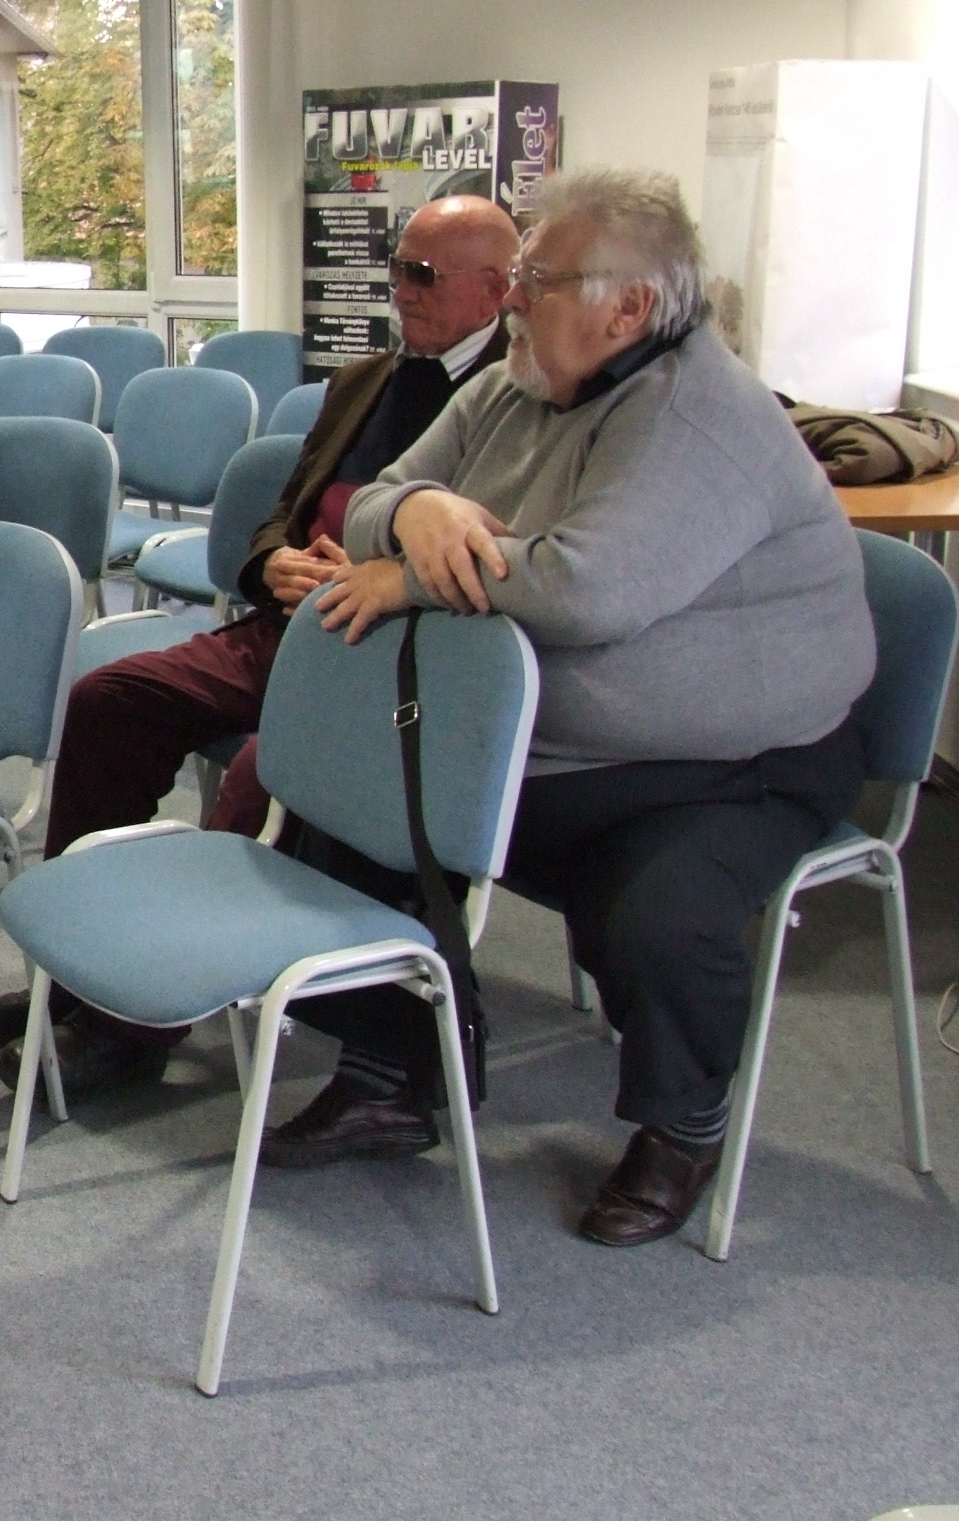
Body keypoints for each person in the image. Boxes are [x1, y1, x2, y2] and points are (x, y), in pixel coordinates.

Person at [281, 167, 871, 1247]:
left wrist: (408, 575)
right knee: (352, 810)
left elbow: (588, 589)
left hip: (727, 762)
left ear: (628, 307)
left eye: (539, 280)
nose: (511, 298)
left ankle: (683, 1128)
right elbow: (367, 501)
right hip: (546, 744)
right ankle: (391, 1073)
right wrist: (418, 513)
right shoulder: (522, 380)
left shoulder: (702, 414)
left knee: (657, 920)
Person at [0, 196, 522, 1093]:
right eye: (396, 267)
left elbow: (495, 563)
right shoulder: (365, 381)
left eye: (423, 275)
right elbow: (284, 512)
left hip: (400, 664)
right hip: (296, 627)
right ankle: (76, 972)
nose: (400, 289)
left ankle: (133, 1022)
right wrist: (274, 563)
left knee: (260, 775)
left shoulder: (519, 402)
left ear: (494, 290)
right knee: (110, 703)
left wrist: (380, 575)